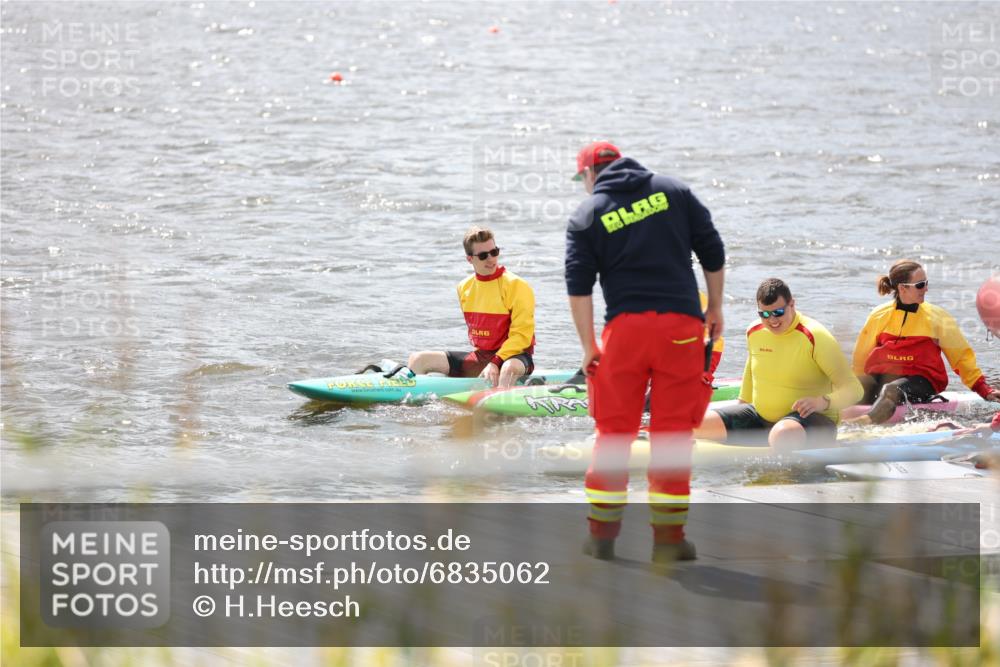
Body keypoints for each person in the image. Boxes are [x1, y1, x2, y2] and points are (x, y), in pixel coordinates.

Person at [566, 140, 725, 563]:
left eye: (582, 179)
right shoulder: (674, 191)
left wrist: (588, 346)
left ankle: (601, 538)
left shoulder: (587, 214)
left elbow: (578, 286)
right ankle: (669, 541)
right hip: (682, 330)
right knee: (672, 437)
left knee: (613, 435)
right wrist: (715, 308)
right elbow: (712, 250)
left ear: (590, 174)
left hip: (625, 333)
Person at [697, 279, 863, 452]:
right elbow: (751, 369)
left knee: (783, 435)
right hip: (762, 418)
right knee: (692, 425)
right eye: (764, 314)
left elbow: (855, 389)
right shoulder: (755, 331)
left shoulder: (816, 337)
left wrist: (821, 402)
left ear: (792, 304)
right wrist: (740, 408)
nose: (772, 320)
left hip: (811, 422)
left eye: (778, 312)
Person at [847, 260, 1000, 425]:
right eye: (920, 285)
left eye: (926, 283)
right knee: (852, 387)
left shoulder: (938, 317)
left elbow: (961, 357)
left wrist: (983, 389)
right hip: (883, 377)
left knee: (892, 390)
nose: (926, 289)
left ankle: (864, 423)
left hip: (922, 381)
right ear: (902, 288)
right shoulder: (878, 315)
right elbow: (860, 358)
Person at [407, 226, 536, 389]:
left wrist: (496, 362)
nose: (491, 259)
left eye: (494, 252)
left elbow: (522, 336)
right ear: (469, 259)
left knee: (508, 369)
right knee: (418, 359)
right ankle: (414, 401)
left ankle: (500, 401)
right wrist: (486, 363)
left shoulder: (517, 286)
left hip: (514, 358)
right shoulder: (464, 287)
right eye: (483, 256)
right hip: (482, 358)